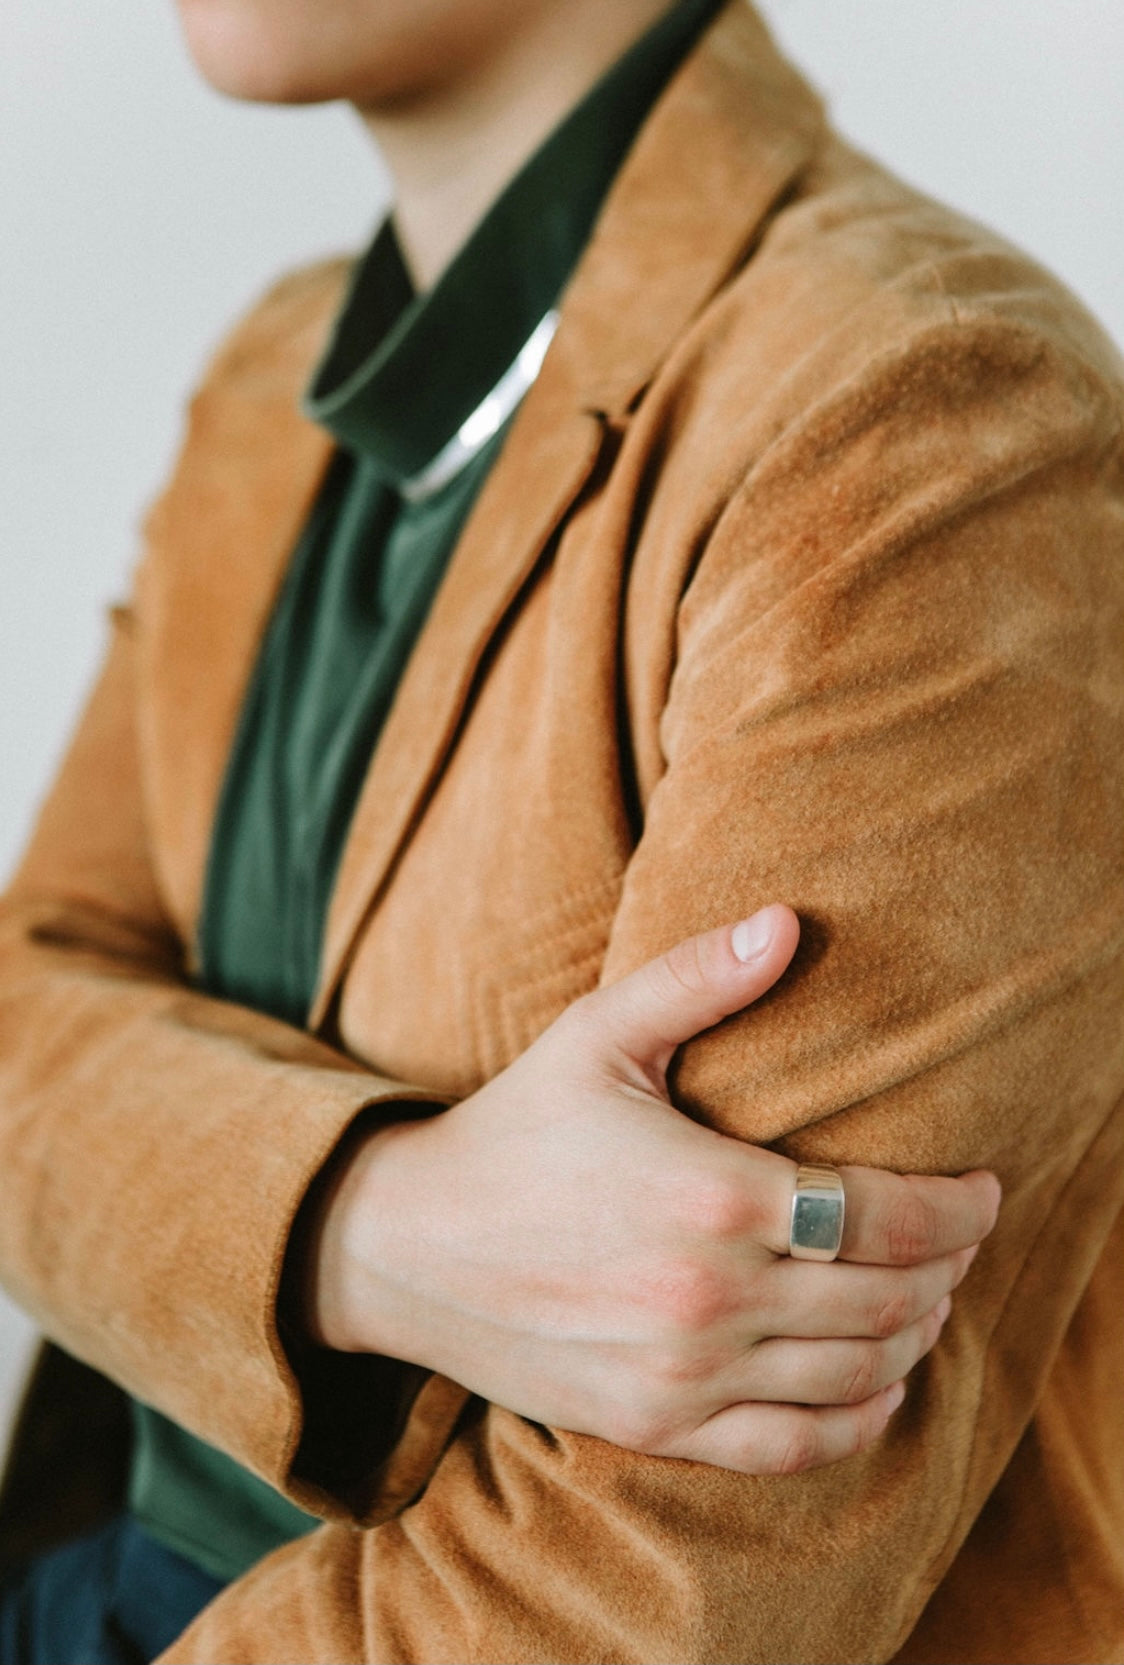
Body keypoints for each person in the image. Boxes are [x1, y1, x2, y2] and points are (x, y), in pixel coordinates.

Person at [0, 0, 1121, 1659]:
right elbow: (21, 1011)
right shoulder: (274, 376)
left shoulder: (929, 413)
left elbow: (670, 1573)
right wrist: (362, 1224)